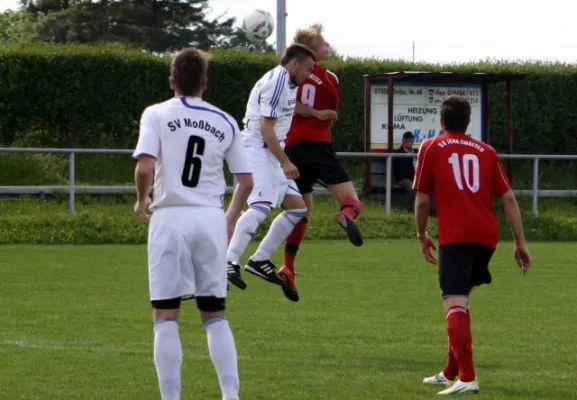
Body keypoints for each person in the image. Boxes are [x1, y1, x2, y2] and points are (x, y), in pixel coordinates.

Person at [132, 47, 254, 400]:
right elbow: (245, 180)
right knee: (214, 313)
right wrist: (229, 219)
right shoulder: (225, 120)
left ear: (172, 81)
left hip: (169, 217)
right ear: (205, 82)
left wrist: (142, 200)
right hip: (209, 217)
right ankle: (230, 396)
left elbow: (144, 166)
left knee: (166, 314)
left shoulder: (156, 114)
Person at [413, 95, 532, 395]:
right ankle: (450, 371)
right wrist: (520, 242)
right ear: (468, 122)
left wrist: (421, 234)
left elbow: (423, 198)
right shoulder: (486, 151)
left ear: (441, 121)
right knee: (461, 301)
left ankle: (467, 377)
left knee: (454, 303)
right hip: (486, 236)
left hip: (456, 234)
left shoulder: (430, 147)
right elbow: (508, 198)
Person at [279, 23, 364, 302]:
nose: (328, 47)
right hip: (317, 148)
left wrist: (308, 112)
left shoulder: (287, 73)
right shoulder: (328, 77)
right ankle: (345, 216)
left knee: (301, 210)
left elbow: (290, 103)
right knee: (352, 201)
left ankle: (288, 267)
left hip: (291, 149)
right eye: (324, 43)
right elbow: (332, 107)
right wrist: (318, 114)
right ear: (312, 51)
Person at [226, 44, 316, 292]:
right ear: (294, 64)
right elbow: (266, 129)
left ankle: (259, 259)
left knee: (298, 209)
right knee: (261, 206)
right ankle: (228, 260)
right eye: (308, 70)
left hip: (271, 151)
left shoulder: (288, 83)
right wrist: (285, 161)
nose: (309, 76)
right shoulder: (277, 81)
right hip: (257, 148)